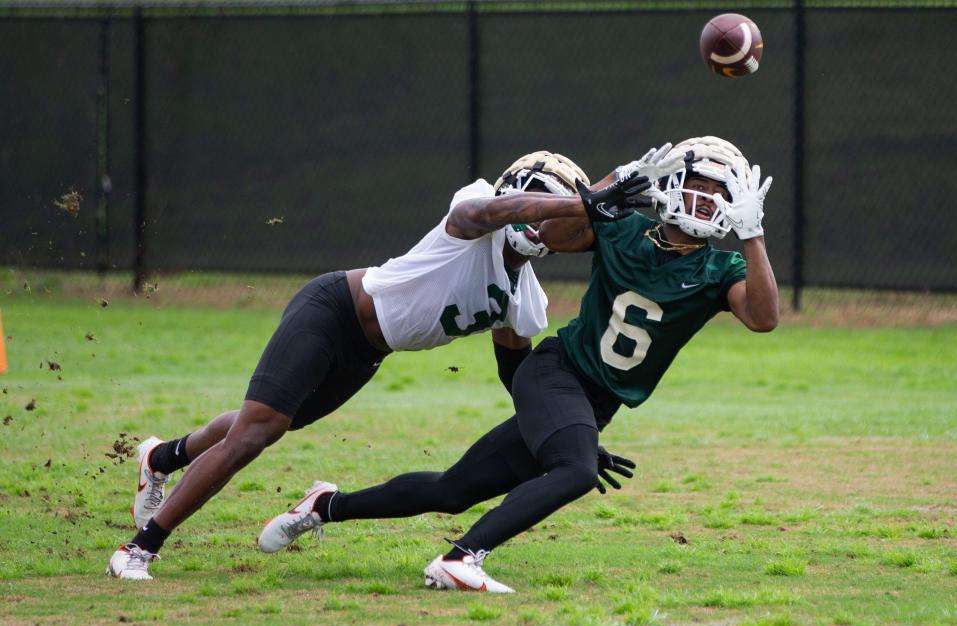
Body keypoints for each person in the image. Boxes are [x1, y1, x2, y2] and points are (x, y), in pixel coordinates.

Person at [256, 137, 780, 593]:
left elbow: (763, 318)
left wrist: (753, 236)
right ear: (672, 183)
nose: (702, 198)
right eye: (696, 184)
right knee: (573, 471)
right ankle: (461, 559)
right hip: (557, 373)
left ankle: (324, 506)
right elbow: (552, 232)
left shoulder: (721, 267)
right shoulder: (626, 230)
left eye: (717, 191)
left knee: (451, 490)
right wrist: (607, 188)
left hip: (593, 403)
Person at [106, 151, 658, 580]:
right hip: (333, 310)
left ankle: (162, 456)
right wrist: (579, 203)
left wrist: (566, 432)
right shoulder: (476, 215)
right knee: (258, 432)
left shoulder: (525, 297)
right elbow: (489, 211)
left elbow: (516, 377)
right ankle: (140, 547)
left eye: (559, 207)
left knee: (272, 421)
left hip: (369, 351)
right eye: (540, 200)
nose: (546, 215)